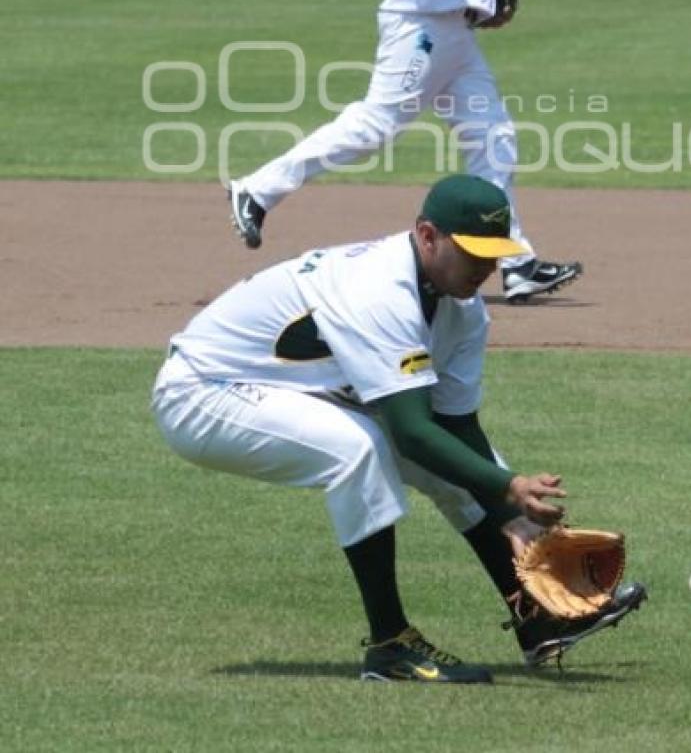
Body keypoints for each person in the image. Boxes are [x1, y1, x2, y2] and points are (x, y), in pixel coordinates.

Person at [153, 174, 645, 683]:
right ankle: (390, 647)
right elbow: (412, 433)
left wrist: (511, 514)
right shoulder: (378, 290)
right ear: (427, 235)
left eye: (496, 254)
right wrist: (508, 486)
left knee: (461, 467)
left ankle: (538, 622)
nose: (487, 268)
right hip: (205, 391)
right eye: (474, 252)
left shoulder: (463, 309)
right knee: (358, 450)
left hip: (292, 388)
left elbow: (454, 426)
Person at [229, 0, 582, 304]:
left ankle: (516, 261)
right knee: (374, 127)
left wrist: (480, 6)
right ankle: (257, 190)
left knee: (493, 136)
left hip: (453, 37)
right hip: (419, 30)